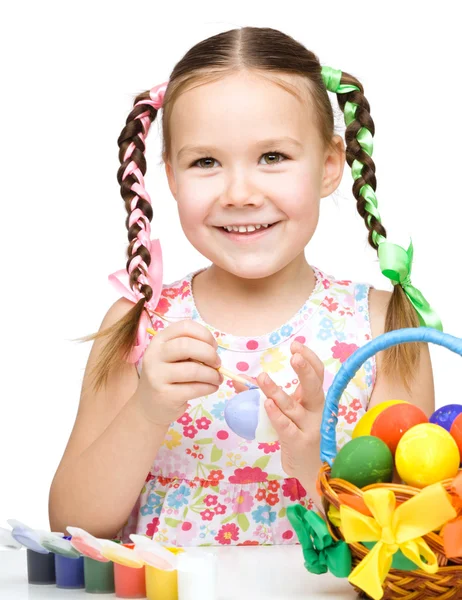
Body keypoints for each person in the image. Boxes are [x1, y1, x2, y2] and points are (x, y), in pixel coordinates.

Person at [48, 26, 440, 547]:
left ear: (328, 166)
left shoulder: (384, 327)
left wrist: (315, 464)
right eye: (205, 162)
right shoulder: (140, 322)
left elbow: (415, 541)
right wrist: (147, 410)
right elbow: (73, 524)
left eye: (273, 157)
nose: (239, 192)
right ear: (170, 176)